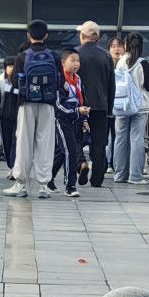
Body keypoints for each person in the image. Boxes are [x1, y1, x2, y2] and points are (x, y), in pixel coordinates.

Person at [4, 19, 61, 199]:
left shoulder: (22, 56)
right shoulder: (54, 56)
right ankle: (44, 186)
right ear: (46, 35)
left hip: (26, 103)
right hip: (48, 105)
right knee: (46, 143)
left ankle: (20, 183)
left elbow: (14, 82)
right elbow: (61, 82)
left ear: (29, 35)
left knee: (23, 142)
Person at [75, 20, 115, 188]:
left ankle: (81, 163)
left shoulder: (75, 54)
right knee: (99, 143)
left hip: (79, 105)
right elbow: (111, 84)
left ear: (83, 35)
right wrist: (109, 108)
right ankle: (97, 178)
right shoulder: (106, 55)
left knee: (75, 138)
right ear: (97, 38)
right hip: (100, 105)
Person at [114, 32, 149, 185]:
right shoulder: (142, 63)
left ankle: (119, 175)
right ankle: (135, 176)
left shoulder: (120, 62)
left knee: (120, 139)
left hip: (121, 105)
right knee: (137, 139)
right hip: (140, 107)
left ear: (126, 44)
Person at [50, 48, 89, 198]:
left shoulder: (78, 79)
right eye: (72, 60)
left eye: (78, 60)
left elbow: (82, 99)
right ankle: (70, 185)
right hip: (62, 120)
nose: (76, 64)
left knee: (62, 152)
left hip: (76, 119)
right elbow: (59, 105)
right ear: (62, 62)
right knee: (71, 151)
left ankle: (48, 179)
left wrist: (84, 118)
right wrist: (78, 111)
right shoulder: (60, 80)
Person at [0, 56, 19, 177]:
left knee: (15, 143)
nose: (11, 69)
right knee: (7, 143)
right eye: (9, 66)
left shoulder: (21, 83)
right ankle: (11, 167)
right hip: (4, 118)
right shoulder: (1, 83)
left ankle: (15, 168)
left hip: (18, 118)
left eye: (13, 66)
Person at [106, 36, 125, 176]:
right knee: (109, 136)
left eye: (119, 46)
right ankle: (107, 162)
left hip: (122, 105)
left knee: (118, 135)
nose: (116, 49)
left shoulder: (127, 65)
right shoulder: (106, 64)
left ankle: (116, 163)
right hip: (109, 104)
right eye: (113, 46)